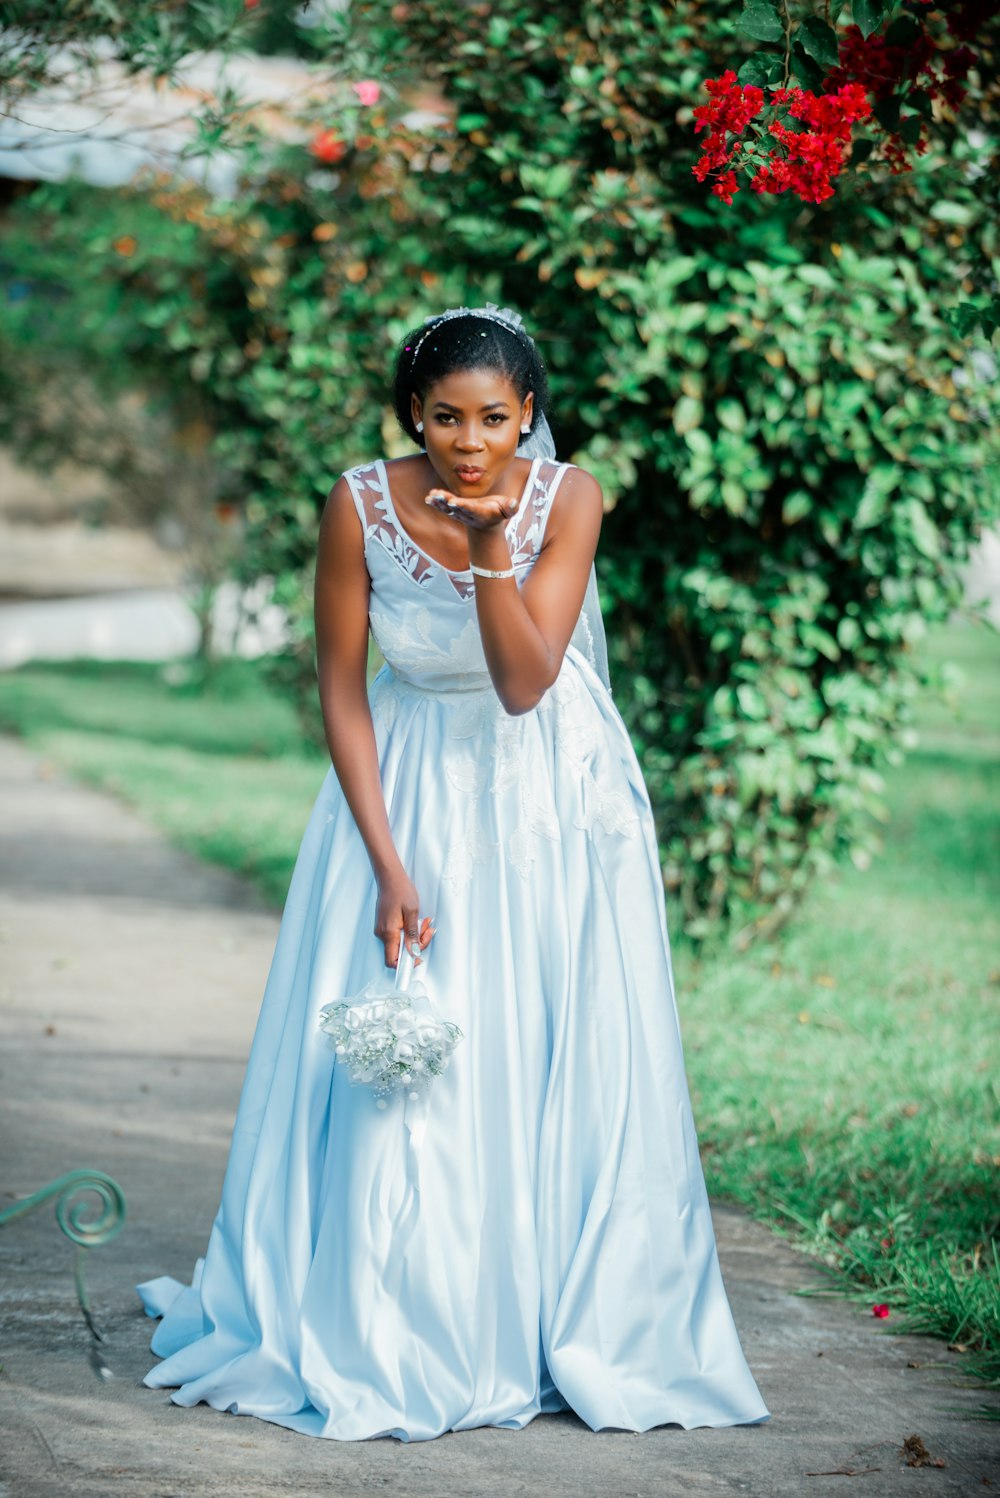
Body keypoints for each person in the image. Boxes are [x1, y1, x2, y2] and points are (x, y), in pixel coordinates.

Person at [136, 302, 770, 1442]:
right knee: (415, 1050)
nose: (469, 442)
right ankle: (405, 1316)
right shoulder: (359, 504)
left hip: (549, 798)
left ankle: (549, 1320)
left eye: (493, 418)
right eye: (443, 417)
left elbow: (528, 681)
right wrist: (386, 861)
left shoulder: (568, 498)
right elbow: (338, 684)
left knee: (543, 1035)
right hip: (407, 782)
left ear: (529, 412)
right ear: (412, 415)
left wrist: (488, 549)